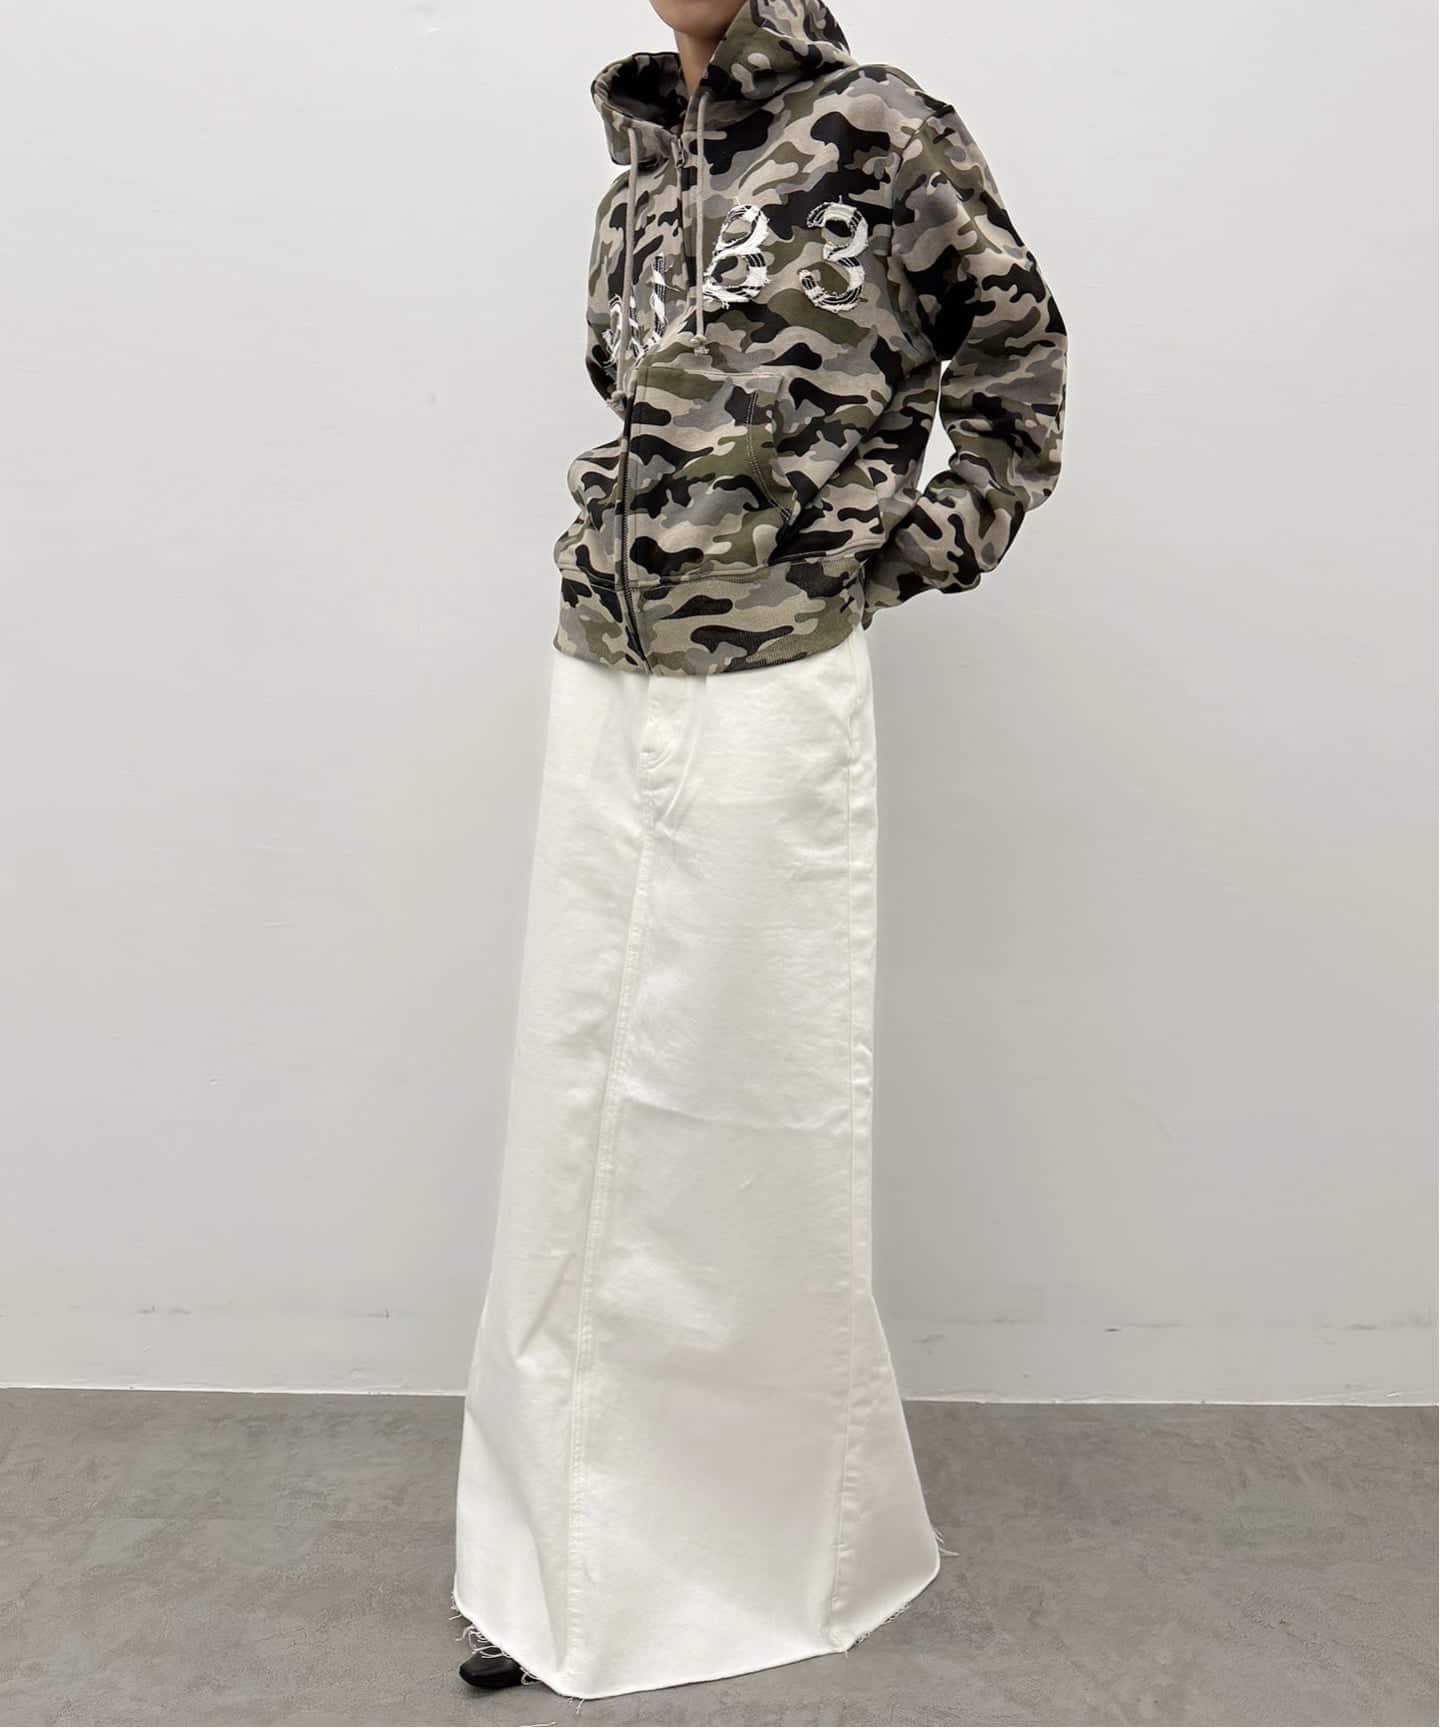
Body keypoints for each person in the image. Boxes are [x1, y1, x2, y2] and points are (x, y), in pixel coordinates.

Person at [453, 0, 1067, 1700]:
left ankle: (761, 1545)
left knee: (743, 1110)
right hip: (605, 669)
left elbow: (1017, 373)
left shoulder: (883, 130)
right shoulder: (641, 157)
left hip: (775, 674)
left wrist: (888, 553)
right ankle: (551, 1556)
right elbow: (639, 407)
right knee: (580, 1110)